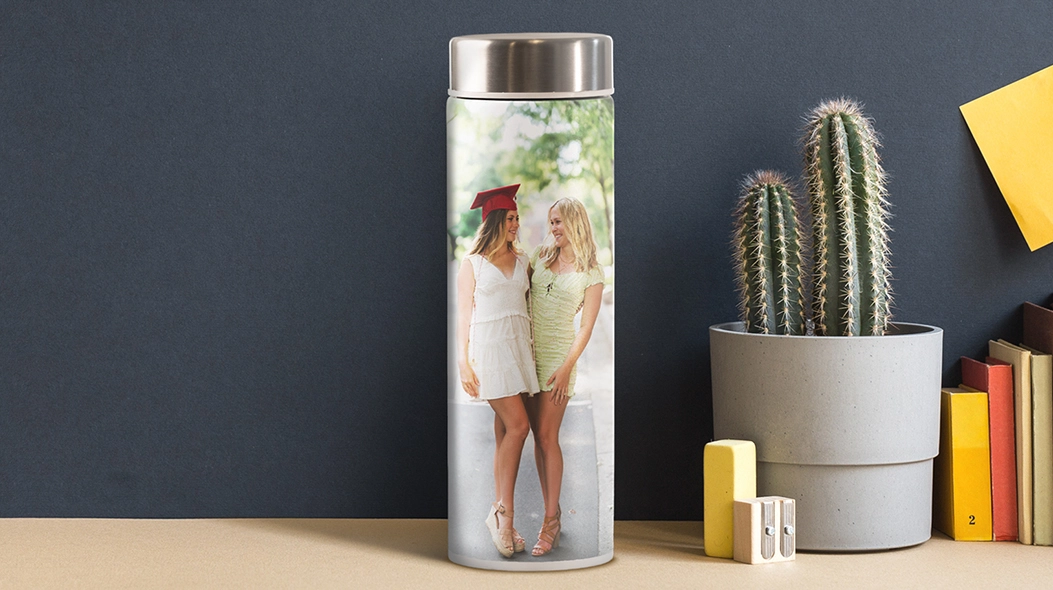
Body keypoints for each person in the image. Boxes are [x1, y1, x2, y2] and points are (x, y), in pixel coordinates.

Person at [456, 184, 540, 558]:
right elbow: (464, 317)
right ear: (493, 221)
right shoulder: (471, 264)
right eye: (510, 218)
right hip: (489, 352)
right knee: (520, 427)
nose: (516, 224)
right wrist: (463, 362)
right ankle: (504, 517)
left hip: (519, 349)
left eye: (518, 218)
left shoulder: (524, 261)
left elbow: (531, 305)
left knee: (506, 430)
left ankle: (500, 515)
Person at [525, 197, 604, 557]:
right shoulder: (541, 257)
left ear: (575, 222)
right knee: (535, 440)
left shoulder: (591, 273)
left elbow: (585, 328)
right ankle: (551, 512)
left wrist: (566, 368)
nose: (553, 228)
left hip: (559, 362)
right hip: (527, 358)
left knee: (546, 435)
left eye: (558, 222)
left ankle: (551, 522)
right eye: (551, 222)